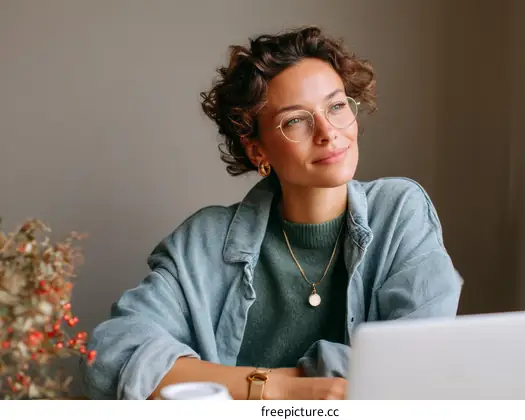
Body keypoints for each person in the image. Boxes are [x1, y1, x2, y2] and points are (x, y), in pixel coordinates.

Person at [80, 25, 462, 400]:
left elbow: (420, 360)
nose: (328, 132)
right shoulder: (204, 242)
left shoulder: (398, 212)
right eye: (296, 120)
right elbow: (112, 353)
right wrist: (280, 387)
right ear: (257, 150)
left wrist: (236, 381)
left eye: (337, 106)